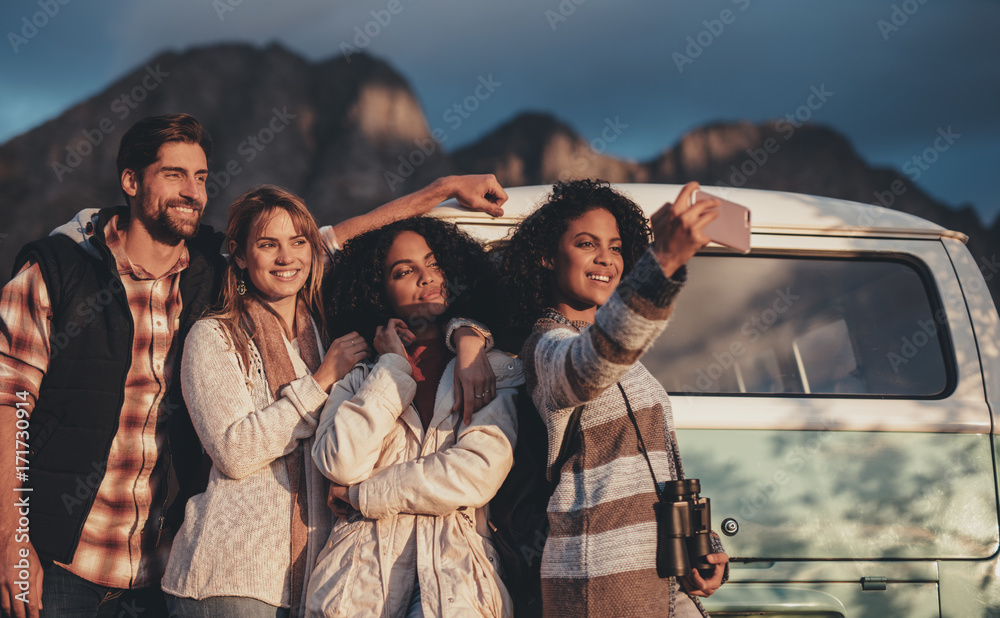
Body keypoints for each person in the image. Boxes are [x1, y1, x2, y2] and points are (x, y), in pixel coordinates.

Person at [0, 112, 507, 618]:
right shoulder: (61, 271)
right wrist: (12, 541)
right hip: (60, 558)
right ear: (131, 181)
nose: (191, 191)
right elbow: (9, 405)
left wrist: (441, 192)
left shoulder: (205, 272)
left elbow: (329, 240)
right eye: (173, 174)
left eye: (200, 177)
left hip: (155, 563)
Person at [498, 179, 729, 617]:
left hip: (662, 575)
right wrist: (663, 263)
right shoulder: (544, 347)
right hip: (597, 581)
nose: (606, 257)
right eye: (587, 244)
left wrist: (702, 543)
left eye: (617, 247)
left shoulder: (626, 357)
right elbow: (588, 366)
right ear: (548, 257)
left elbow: (661, 464)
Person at [307, 217, 521, 617]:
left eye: (434, 263)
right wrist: (390, 367)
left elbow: (476, 473)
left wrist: (362, 495)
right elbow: (340, 461)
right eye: (404, 271)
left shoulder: (494, 367)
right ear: (379, 292)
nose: (427, 278)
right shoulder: (359, 377)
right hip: (356, 587)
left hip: (458, 585)